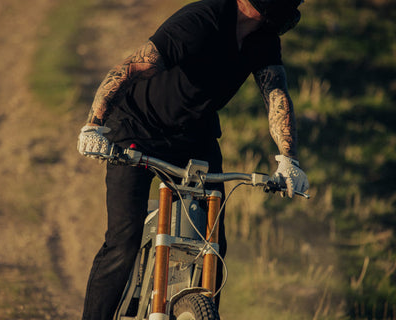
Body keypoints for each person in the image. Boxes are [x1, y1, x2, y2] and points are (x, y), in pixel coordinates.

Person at [77, 0, 309, 318]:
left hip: (194, 140)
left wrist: (288, 159)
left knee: (212, 246)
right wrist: (94, 125)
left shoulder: (264, 38)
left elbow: (276, 96)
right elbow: (130, 67)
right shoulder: (202, 20)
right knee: (123, 240)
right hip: (136, 129)